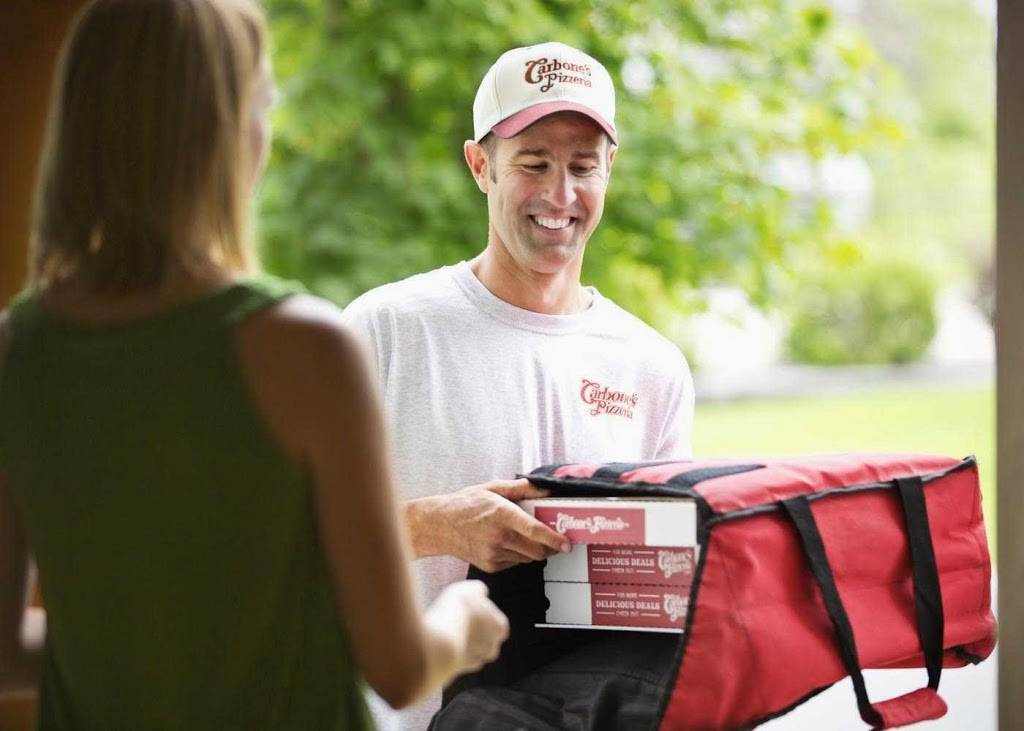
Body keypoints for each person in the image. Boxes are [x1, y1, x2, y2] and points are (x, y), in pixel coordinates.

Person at [0, 1, 507, 729]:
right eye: (261, 104)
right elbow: (398, 669)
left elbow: (6, 652)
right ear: (228, 129)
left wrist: (142, 647)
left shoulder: (16, 350)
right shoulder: (304, 345)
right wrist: (464, 618)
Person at [341, 41, 695, 730]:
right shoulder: (385, 331)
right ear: (481, 165)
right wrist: (436, 525)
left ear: (610, 168)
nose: (560, 195)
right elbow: (283, 536)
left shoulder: (652, 367)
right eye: (534, 164)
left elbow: (664, 594)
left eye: (583, 167)